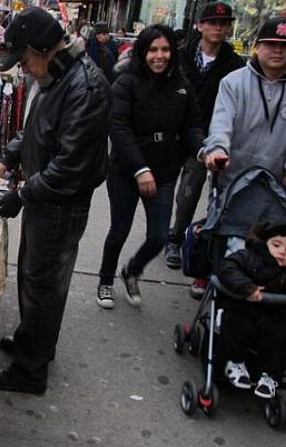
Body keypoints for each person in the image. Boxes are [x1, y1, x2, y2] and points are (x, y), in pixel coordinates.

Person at [0, 8, 111, 394]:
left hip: (61, 204)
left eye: (23, 59)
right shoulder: (56, 75)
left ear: (42, 49)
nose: (23, 68)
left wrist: (22, 194)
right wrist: (7, 160)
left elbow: (70, 167)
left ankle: (30, 371)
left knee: (44, 285)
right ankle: (32, 343)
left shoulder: (84, 86)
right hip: (44, 197)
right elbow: (34, 127)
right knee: (34, 279)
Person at [96, 24, 204, 309]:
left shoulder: (182, 85)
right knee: (119, 230)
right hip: (125, 171)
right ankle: (105, 280)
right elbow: (118, 128)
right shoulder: (126, 82)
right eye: (153, 49)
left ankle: (132, 271)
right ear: (143, 52)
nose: (160, 56)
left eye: (165, 49)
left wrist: (203, 149)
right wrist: (139, 168)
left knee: (158, 236)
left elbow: (192, 125)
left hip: (165, 172)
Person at [165, 2, 244, 295]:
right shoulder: (181, 56)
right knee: (162, 189)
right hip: (172, 134)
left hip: (209, 140)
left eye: (223, 24)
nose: (218, 29)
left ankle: (176, 238)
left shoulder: (234, 65)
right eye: (212, 23)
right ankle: (160, 234)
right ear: (200, 26)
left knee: (190, 192)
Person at [201, 18, 286, 214]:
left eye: (283, 45)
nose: (278, 51)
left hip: (274, 188)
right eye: (271, 44)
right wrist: (218, 150)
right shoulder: (233, 83)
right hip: (231, 183)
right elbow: (222, 123)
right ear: (257, 46)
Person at [218, 220, 286, 399]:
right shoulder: (250, 256)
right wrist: (247, 287)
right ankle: (235, 362)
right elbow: (227, 267)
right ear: (265, 243)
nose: (283, 252)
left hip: (275, 315)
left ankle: (271, 375)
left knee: (279, 335)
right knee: (237, 325)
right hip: (244, 308)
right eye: (277, 245)